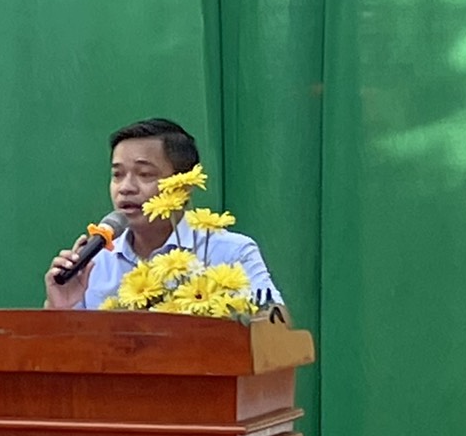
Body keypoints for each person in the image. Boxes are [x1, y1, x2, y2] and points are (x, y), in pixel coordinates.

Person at [46, 116, 288, 318]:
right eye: (117, 175)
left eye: (144, 174)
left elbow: (277, 327)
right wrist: (61, 306)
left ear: (184, 184)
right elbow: (58, 350)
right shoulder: (94, 263)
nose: (125, 188)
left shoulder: (231, 252)